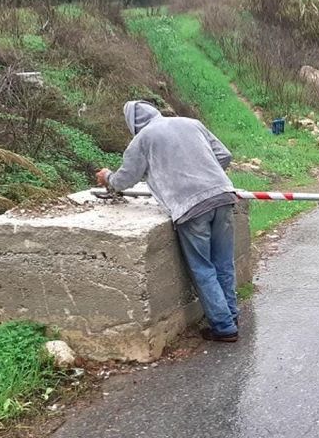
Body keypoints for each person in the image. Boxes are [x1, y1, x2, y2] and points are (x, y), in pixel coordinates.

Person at [96, 101, 240, 342]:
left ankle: (224, 327)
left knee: (203, 267)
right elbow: (224, 156)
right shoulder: (191, 123)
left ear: (132, 122)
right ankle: (231, 314)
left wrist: (107, 177)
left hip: (191, 208)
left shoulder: (142, 139)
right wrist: (203, 173)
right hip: (223, 197)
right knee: (223, 263)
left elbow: (124, 179)